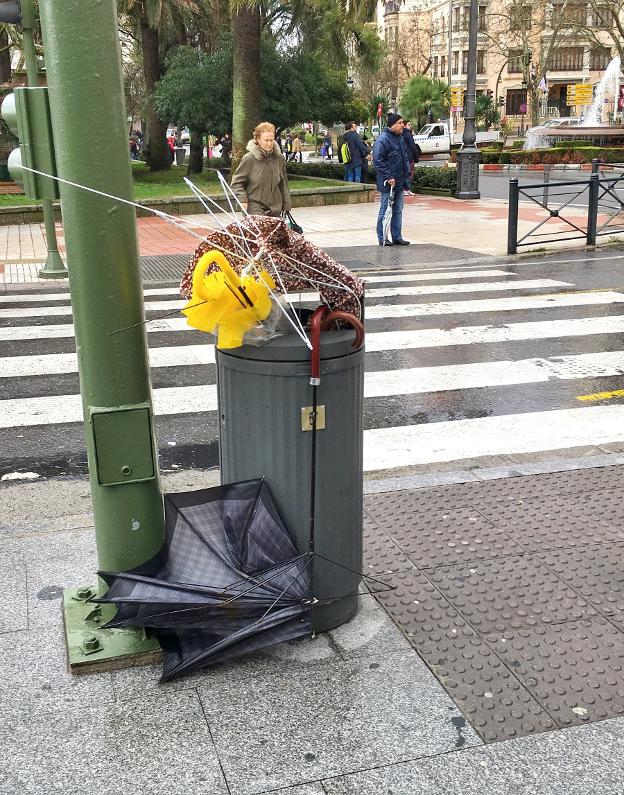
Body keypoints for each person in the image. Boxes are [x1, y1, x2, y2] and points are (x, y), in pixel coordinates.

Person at [230, 121, 292, 217]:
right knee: (260, 231)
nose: (269, 143)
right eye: (266, 140)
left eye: (271, 140)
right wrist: (242, 199)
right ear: (258, 139)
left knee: (274, 232)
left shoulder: (279, 158)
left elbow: (283, 183)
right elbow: (236, 182)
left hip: (275, 208)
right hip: (254, 207)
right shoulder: (249, 158)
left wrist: (286, 205)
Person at [372, 112, 411, 246]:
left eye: (402, 123)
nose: (402, 126)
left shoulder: (399, 138)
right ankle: (382, 237)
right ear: (392, 124)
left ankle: (397, 236)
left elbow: (404, 158)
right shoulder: (383, 139)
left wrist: (406, 178)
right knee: (385, 210)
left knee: (398, 210)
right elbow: (378, 160)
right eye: (400, 123)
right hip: (388, 183)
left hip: (400, 181)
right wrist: (388, 176)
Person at [402, 121, 420, 195]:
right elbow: (412, 146)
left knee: (405, 173)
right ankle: (406, 189)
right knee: (409, 173)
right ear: (405, 125)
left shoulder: (400, 134)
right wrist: (416, 156)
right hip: (409, 156)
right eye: (409, 124)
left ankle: (405, 189)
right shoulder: (408, 134)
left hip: (403, 156)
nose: (410, 126)